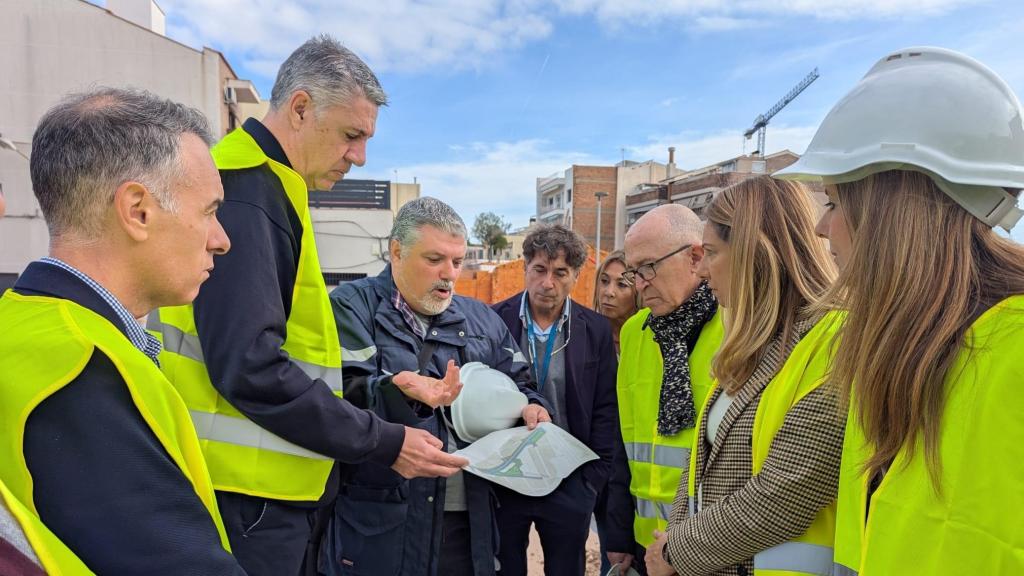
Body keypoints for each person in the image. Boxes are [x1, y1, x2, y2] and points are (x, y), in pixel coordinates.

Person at [149, 36, 464, 576]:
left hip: (251, 488)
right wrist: (384, 440)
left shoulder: (265, 186)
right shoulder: (249, 192)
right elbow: (249, 365)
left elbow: (281, 352)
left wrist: (386, 390)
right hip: (245, 493)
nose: (360, 156)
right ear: (299, 108)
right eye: (350, 134)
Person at [774, 46, 1024, 575]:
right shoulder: (891, 349)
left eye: (836, 203)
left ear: (893, 210)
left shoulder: (1013, 354)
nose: (822, 228)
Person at [0, 87, 243, 573]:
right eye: (210, 211)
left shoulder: (21, 323)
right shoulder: (85, 370)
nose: (222, 240)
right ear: (137, 210)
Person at [326, 196, 551, 576]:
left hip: (470, 525)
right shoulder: (352, 306)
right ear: (396, 252)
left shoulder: (482, 318)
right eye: (434, 260)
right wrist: (396, 389)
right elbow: (337, 398)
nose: (449, 273)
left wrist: (532, 406)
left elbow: (521, 382)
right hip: (379, 526)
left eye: (457, 261)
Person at [644, 175, 844, 576]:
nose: (701, 272)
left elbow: (784, 494)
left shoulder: (834, 342)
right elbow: (698, 465)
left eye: (712, 253)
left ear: (755, 254)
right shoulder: (754, 348)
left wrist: (675, 551)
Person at [492, 224, 633, 575]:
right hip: (507, 480)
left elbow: (605, 409)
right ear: (525, 268)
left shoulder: (595, 329)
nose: (548, 283)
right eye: (539, 270)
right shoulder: (495, 320)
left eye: (560, 273)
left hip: (568, 483)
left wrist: (590, 482)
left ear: (575, 276)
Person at [615, 204, 724, 573]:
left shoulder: (737, 328)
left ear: (695, 257)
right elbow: (623, 439)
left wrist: (688, 543)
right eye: (634, 272)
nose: (640, 283)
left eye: (648, 267)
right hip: (647, 544)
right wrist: (619, 534)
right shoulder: (634, 332)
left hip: (713, 545)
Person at [594, 250, 641, 355]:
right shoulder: (584, 335)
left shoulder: (653, 338)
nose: (609, 292)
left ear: (639, 292)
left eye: (621, 284)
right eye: (604, 281)